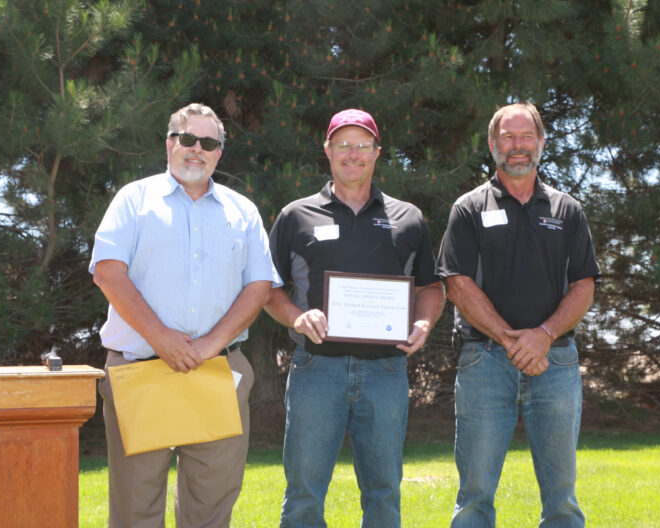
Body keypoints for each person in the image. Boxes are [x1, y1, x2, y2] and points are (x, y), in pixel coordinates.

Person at [89, 103, 280, 528]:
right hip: (141, 371)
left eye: (209, 142)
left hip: (217, 371)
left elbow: (259, 286)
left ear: (219, 153)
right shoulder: (133, 200)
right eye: (188, 138)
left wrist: (209, 346)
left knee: (210, 509)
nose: (197, 149)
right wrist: (161, 338)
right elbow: (108, 273)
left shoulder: (243, 212)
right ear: (170, 143)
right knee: (136, 508)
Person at [265, 108, 445, 528]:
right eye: (343, 144)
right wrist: (297, 317)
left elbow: (431, 287)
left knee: (384, 492)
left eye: (362, 145)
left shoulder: (409, 218)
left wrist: (423, 323)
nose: (353, 154)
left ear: (377, 153)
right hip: (316, 370)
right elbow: (268, 290)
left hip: (386, 371)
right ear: (327, 151)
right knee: (304, 494)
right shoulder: (296, 215)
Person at [436, 102, 601, 528]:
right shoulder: (469, 209)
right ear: (492, 145)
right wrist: (514, 340)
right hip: (484, 361)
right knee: (475, 496)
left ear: (542, 143)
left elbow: (585, 285)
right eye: (507, 137)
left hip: (556, 362)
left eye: (527, 136)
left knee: (562, 499)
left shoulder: (567, 210)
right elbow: (457, 284)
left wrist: (544, 335)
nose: (518, 146)